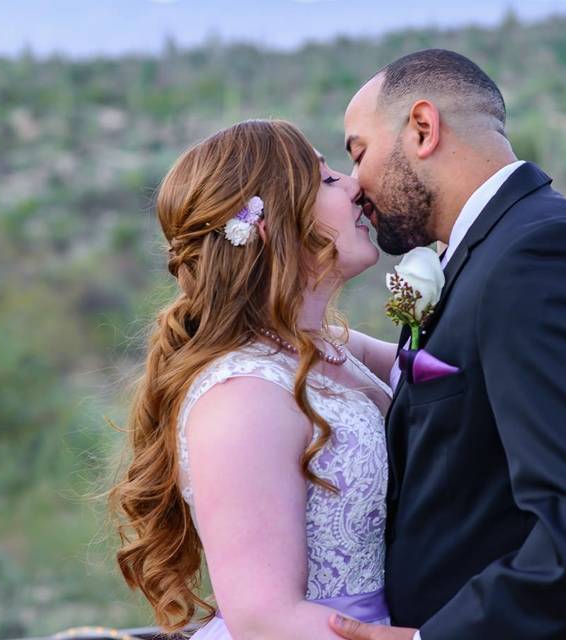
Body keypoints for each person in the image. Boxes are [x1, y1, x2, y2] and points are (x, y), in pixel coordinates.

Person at [329, 48, 566, 640]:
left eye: (358, 153)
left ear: (423, 128)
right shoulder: (490, 255)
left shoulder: (541, 257)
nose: (355, 185)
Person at [107, 119, 400, 639]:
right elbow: (266, 620)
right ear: (271, 223)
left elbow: (445, 369)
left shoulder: (327, 345)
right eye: (327, 179)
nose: (354, 184)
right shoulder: (242, 399)